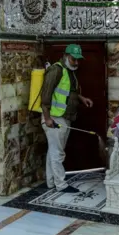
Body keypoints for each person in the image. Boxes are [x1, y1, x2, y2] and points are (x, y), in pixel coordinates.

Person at [41, 44, 93, 193]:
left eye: (78, 60)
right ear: (65, 55)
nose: (76, 62)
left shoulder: (69, 71)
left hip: (63, 117)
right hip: (55, 118)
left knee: (54, 150)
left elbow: (69, 92)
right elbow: (45, 96)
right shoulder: (56, 70)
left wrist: (82, 98)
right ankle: (61, 185)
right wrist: (48, 118)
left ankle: (51, 182)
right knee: (58, 153)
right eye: (73, 59)